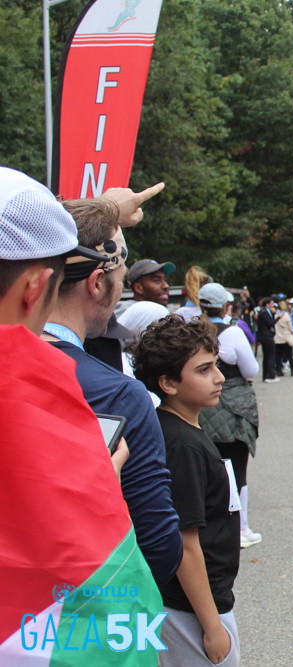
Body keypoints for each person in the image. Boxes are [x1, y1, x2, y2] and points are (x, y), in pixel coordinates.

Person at [0, 167, 163, 664]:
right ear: (35, 288)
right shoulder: (47, 388)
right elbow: (121, 620)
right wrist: (96, 498)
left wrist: (106, 210)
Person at [42, 195, 182, 587]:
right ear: (98, 283)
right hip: (73, 609)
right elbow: (158, 551)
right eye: (120, 280)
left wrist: (104, 211)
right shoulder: (119, 396)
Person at [132, 316, 240, 666]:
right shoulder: (181, 445)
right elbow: (185, 543)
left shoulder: (182, 430)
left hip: (200, 599)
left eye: (216, 365)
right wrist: (211, 626)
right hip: (190, 608)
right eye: (204, 370)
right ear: (168, 383)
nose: (219, 377)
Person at [196, 284, 263, 549]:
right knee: (236, 469)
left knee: (206, 468)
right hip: (232, 405)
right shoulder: (232, 333)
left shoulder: (192, 331)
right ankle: (241, 528)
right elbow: (251, 370)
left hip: (200, 406)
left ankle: (209, 526)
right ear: (225, 306)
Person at [257, 295, 279, 382]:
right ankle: (270, 376)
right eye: (271, 303)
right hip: (266, 335)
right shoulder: (264, 313)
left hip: (265, 335)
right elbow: (270, 323)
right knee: (270, 355)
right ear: (267, 304)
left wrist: (273, 314)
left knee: (267, 356)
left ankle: (266, 376)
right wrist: (278, 318)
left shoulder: (265, 312)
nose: (273, 305)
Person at [274, 299, 293, 377]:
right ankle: (292, 370)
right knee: (289, 355)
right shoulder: (287, 316)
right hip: (286, 337)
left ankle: (279, 370)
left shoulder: (275, 316)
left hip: (278, 337)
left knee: (278, 355)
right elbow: (290, 328)